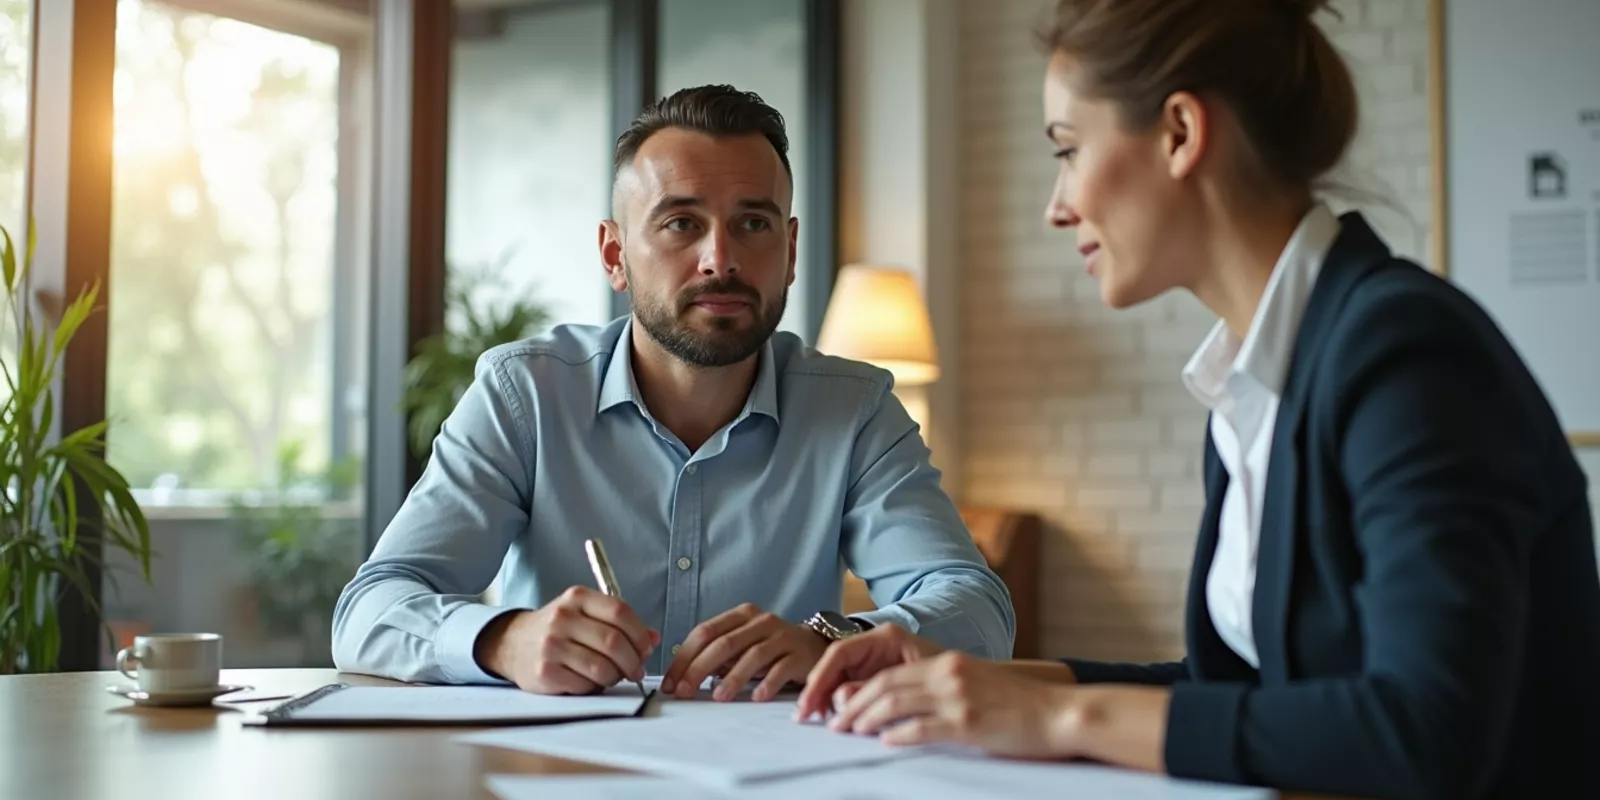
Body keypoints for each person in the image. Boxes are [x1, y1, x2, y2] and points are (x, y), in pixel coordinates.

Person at [794, 1, 1600, 797]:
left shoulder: (1405, 351)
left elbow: (1426, 733)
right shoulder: (1251, 385)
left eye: (1068, 150)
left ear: (1180, 132)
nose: (1056, 205)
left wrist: (1061, 718)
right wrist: (970, 677)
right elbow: (1236, 696)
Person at [331, 84, 1015, 701]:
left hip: (775, 770)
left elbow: (978, 609)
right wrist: (504, 641)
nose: (721, 258)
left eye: (754, 223)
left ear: (790, 251)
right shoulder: (526, 395)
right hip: (560, 767)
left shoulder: (855, 410)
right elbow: (368, 611)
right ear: (614, 255)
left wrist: (834, 640)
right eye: (681, 223)